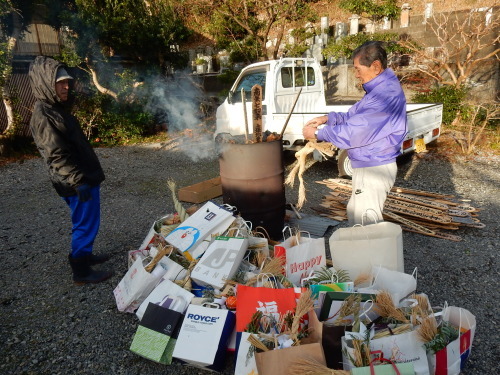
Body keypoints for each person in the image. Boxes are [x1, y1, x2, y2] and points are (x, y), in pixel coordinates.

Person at [29, 56, 113, 285]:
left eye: (67, 82)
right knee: (84, 223)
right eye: (60, 83)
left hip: (80, 177)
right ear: (46, 83)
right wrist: (78, 181)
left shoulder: (55, 108)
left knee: (89, 220)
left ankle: (85, 256)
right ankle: (81, 271)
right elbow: (56, 155)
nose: (66, 86)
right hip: (76, 181)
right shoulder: (45, 115)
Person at [303, 41, 407, 225]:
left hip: (374, 167)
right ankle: (362, 252)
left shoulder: (385, 94)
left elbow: (356, 132)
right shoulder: (379, 90)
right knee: (356, 214)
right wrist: (327, 118)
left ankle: (369, 253)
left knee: (365, 222)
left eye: (358, 69)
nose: (356, 74)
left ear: (375, 66)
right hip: (368, 163)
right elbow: (354, 116)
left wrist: (319, 134)